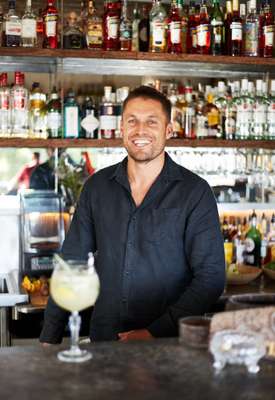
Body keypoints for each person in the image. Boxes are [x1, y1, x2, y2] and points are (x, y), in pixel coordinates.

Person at [40, 85, 225, 344]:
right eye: (132, 121)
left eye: (152, 122)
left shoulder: (195, 192)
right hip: (105, 342)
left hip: (169, 345)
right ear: (121, 129)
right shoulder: (97, 187)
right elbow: (70, 263)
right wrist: (49, 337)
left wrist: (154, 332)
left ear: (168, 130)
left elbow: (211, 278)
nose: (141, 131)